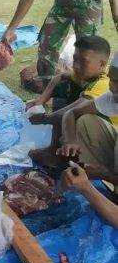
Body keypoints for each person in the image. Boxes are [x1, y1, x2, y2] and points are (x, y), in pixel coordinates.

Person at [27, 35, 110, 167]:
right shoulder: (84, 75)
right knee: (64, 87)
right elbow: (59, 78)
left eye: (83, 61)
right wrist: (41, 100)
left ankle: (76, 159)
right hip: (83, 128)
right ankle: (54, 149)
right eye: (75, 59)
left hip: (106, 141)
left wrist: (44, 118)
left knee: (70, 114)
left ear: (102, 64)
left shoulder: (103, 84)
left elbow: (73, 111)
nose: (76, 65)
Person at [59, 56, 117, 193]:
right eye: (111, 79)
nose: (112, 86)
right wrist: (70, 140)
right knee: (86, 121)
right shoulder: (113, 96)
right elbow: (72, 113)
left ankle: (107, 194)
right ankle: (96, 183)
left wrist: (103, 174)